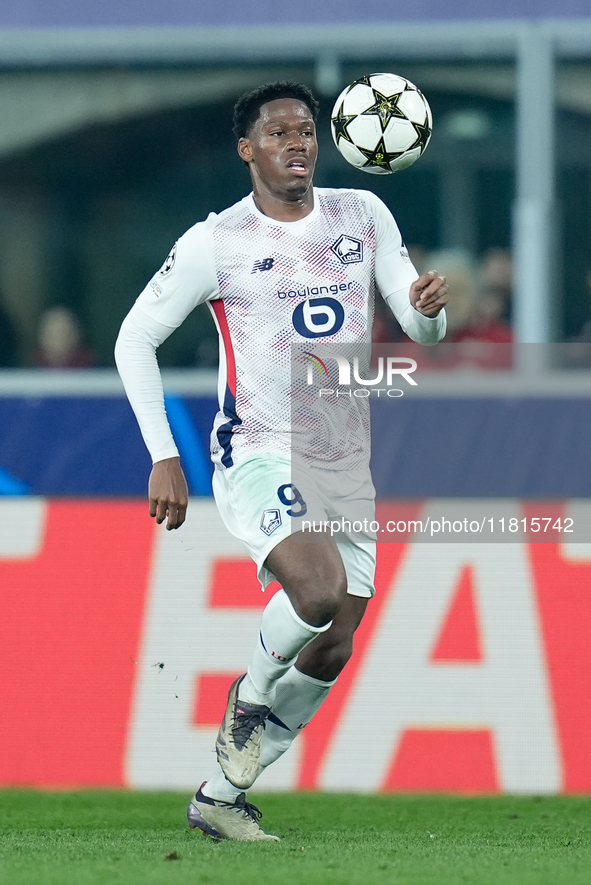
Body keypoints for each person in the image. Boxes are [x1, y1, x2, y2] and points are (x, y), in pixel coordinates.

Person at [115, 81, 448, 842]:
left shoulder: (363, 216)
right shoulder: (216, 241)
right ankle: (250, 698)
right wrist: (162, 453)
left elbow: (420, 326)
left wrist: (430, 309)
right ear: (248, 151)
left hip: (343, 458)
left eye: (305, 131)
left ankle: (220, 794)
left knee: (334, 641)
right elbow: (134, 337)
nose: (296, 143)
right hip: (259, 448)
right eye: (278, 134)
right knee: (317, 585)